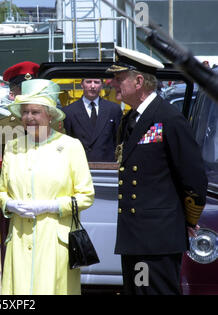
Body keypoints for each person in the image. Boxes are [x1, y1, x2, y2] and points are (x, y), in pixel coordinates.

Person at [108, 46, 208, 295]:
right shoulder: (131, 119)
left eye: (119, 79)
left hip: (158, 238)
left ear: (139, 81)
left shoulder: (168, 119)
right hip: (135, 237)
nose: (112, 84)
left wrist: (187, 221)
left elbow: (194, 179)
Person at [0, 79, 95, 295]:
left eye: (35, 112)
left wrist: (50, 206)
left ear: (49, 115)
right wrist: (10, 204)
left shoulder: (70, 147)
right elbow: (1, 192)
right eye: (25, 112)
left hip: (54, 241)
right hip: (20, 240)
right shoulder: (13, 147)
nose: (29, 118)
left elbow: (86, 196)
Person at [0, 61, 38, 272]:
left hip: (48, 206)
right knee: (14, 266)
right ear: (12, 94)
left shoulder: (56, 124)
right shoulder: (1, 128)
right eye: (20, 91)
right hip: (13, 208)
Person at [62, 78, 122, 162]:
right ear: (82, 84)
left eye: (96, 82)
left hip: (107, 167)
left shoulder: (113, 109)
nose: (93, 86)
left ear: (101, 85)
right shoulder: (69, 111)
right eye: (89, 82)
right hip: (80, 165)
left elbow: (119, 140)